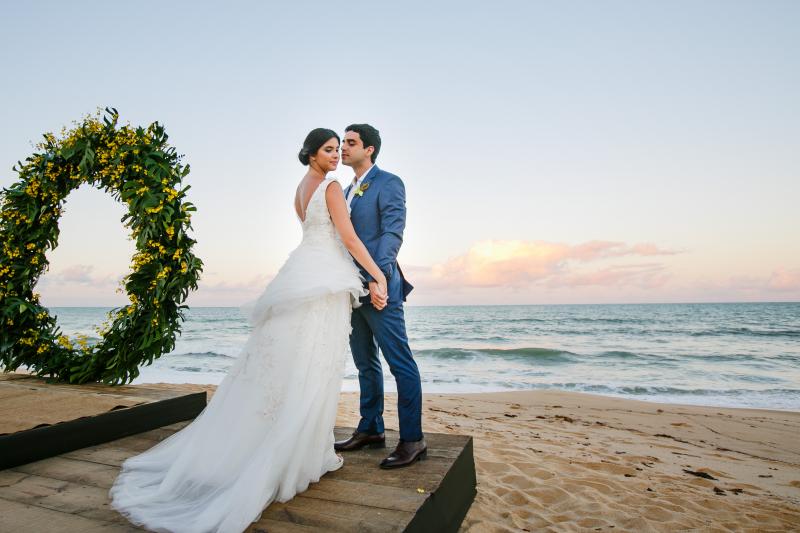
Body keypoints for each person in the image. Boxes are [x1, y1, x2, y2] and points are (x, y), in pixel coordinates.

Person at [109, 128, 388, 533]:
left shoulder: (301, 187)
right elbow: (346, 237)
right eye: (328, 150)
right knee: (313, 364)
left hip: (302, 272)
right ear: (312, 154)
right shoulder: (329, 187)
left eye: (337, 150)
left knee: (287, 362)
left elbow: (315, 234)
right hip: (322, 280)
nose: (334, 156)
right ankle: (296, 455)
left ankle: (281, 444)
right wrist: (378, 275)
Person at [334, 124, 426, 468]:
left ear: (369, 149)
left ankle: (413, 439)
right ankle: (371, 427)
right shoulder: (344, 190)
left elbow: (391, 231)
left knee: (399, 362)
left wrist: (378, 276)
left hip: (378, 287)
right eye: (342, 142)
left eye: (351, 142)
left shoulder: (389, 182)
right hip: (350, 288)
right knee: (364, 362)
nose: (343, 147)